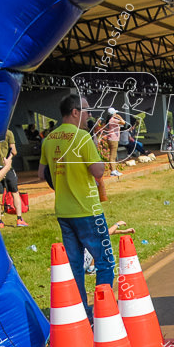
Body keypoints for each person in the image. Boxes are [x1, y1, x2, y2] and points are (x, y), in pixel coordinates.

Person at [38, 95, 115, 313]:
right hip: (87, 210)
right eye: (87, 111)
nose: (89, 115)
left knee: (75, 266)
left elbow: (42, 173)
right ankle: (104, 310)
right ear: (74, 112)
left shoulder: (49, 139)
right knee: (105, 261)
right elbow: (98, 171)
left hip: (64, 211)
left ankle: (81, 311)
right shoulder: (82, 137)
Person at [0, 127, 28, 227]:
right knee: (15, 192)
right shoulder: (8, 133)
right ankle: (19, 219)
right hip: (6, 167)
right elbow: (14, 151)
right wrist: (9, 159)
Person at [96, 107, 126, 177]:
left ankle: (114, 170)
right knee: (113, 156)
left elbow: (108, 128)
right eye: (115, 112)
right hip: (113, 139)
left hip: (111, 138)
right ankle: (113, 171)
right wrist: (119, 116)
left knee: (113, 155)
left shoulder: (110, 120)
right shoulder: (113, 120)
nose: (116, 113)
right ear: (113, 114)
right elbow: (123, 122)